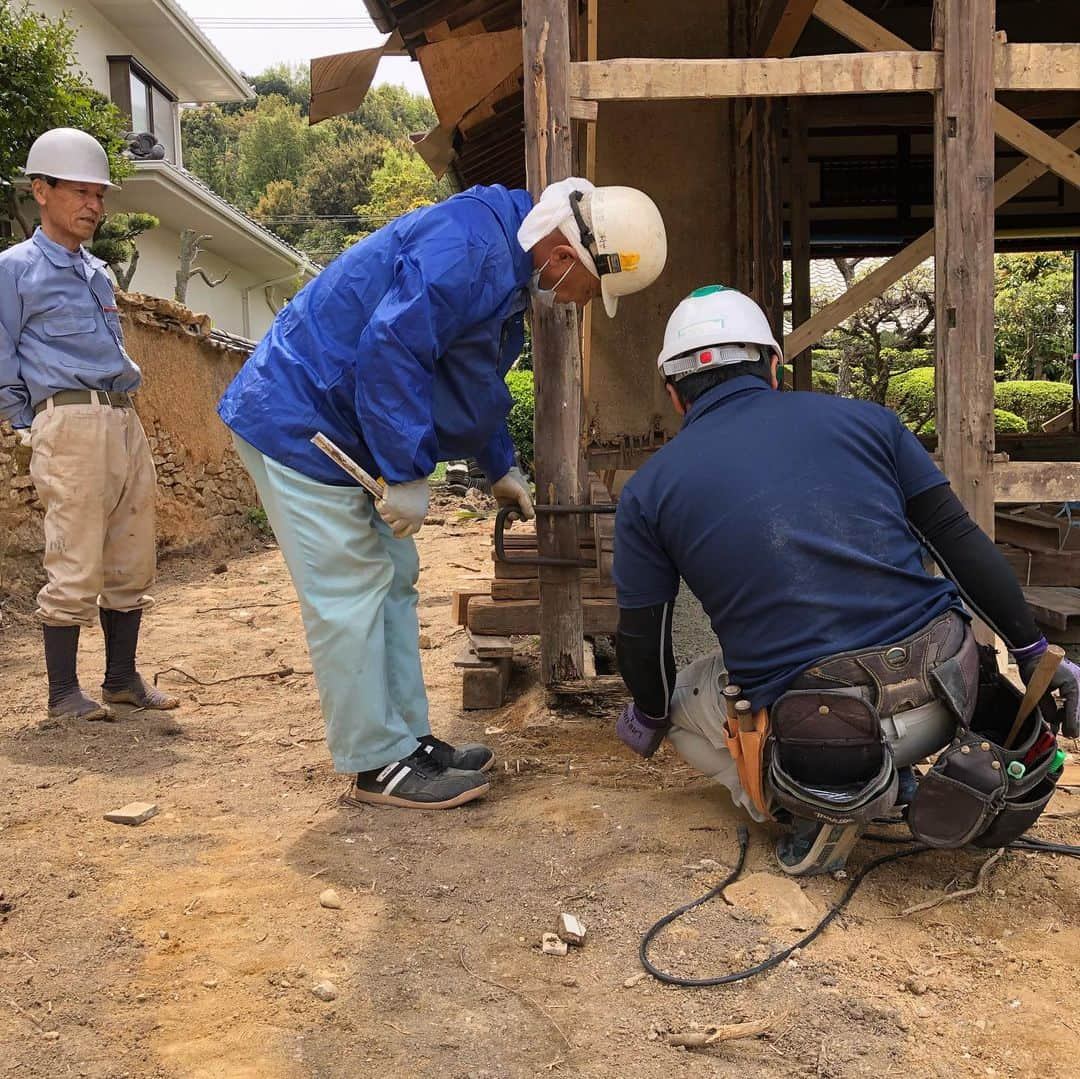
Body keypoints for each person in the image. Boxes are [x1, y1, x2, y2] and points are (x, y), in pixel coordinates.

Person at [219, 177, 667, 811]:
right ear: (566, 256)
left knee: (393, 577)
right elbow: (392, 349)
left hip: (342, 419)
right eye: (589, 291)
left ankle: (407, 741)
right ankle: (376, 763)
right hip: (300, 417)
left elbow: (470, 376)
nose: (581, 303)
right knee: (351, 592)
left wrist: (497, 465)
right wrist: (406, 474)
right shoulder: (468, 249)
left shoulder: (507, 261)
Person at [612, 284, 1080, 874]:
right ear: (774, 366)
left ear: (675, 396)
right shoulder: (870, 423)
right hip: (946, 700)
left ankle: (809, 811)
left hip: (817, 734)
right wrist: (1036, 652)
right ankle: (894, 779)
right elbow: (962, 546)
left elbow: (644, 643)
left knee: (685, 706)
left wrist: (649, 716)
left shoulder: (649, 491)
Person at [0, 128, 178, 721]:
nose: (93, 206)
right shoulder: (15, 268)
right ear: (41, 190)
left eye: (99, 195)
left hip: (122, 417)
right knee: (74, 558)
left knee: (132, 554)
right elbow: (2, 351)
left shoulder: (96, 271)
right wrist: (32, 423)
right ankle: (61, 694)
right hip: (70, 420)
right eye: (80, 192)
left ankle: (122, 679)